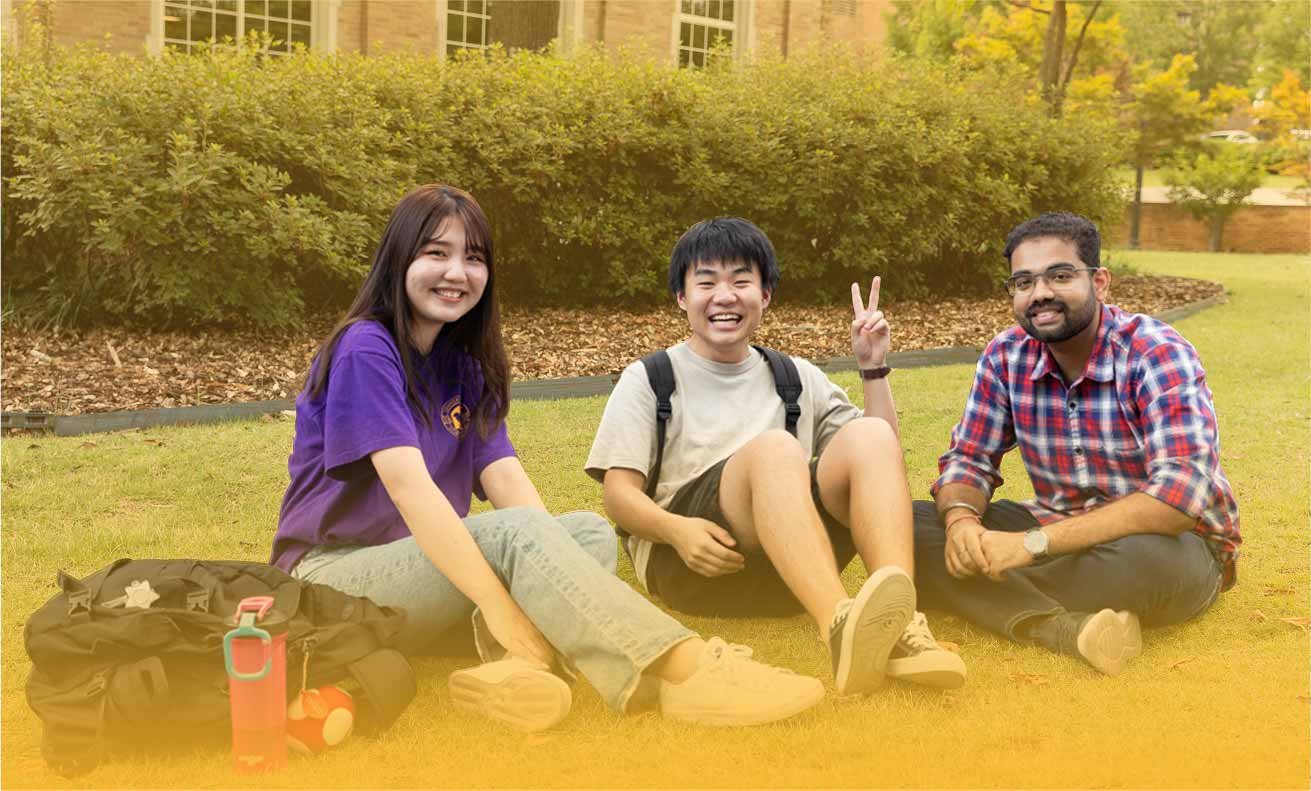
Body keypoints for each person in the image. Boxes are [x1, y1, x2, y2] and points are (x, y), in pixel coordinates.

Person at [270, 185, 826, 731]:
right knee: (519, 535)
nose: (456, 272)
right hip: (333, 580)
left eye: (473, 258)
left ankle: (520, 667)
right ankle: (682, 670)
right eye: (436, 252)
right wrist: (501, 605)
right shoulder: (366, 348)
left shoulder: (461, 363)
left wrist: (539, 558)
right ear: (399, 258)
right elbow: (411, 491)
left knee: (583, 533)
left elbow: (507, 480)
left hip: (420, 584)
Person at [586, 217, 966, 695]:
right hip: (693, 562)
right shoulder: (650, 378)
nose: (725, 296)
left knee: (867, 434)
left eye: (742, 281)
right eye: (706, 281)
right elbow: (618, 496)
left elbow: (878, 457)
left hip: (790, 574)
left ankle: (901, 624)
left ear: (764, 296)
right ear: (682, 297)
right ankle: (839, 625)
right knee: (776, 447)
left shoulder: (795, 376)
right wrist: (676, 531)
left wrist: (873, 369)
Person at [913, 212, 1241, 676]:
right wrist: (961, 524)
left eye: (1060, 276)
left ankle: (980, 590)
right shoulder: (1005, 355)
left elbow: (1178, 499)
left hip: (1170, 547)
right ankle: (1055, 627)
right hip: (1061, 525)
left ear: (1100, 282)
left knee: (1142, 563)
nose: (1040, 293)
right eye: (1023, 282)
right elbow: (969, 459)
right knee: (905, 525)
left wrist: (1030, 545)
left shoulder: (1155, 351)